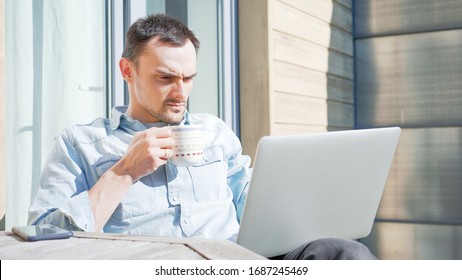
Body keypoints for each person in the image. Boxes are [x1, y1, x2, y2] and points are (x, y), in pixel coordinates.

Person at [28, 14, 375, 260]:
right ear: (127, 70)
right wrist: (123, 173)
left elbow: (254, 207)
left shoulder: (215, 132)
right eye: (165, 78)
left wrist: (306, 202)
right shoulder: (81, 143)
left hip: (238, 262)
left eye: (189, 77)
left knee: (344, 252)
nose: (181, 92)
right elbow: (41, 237)